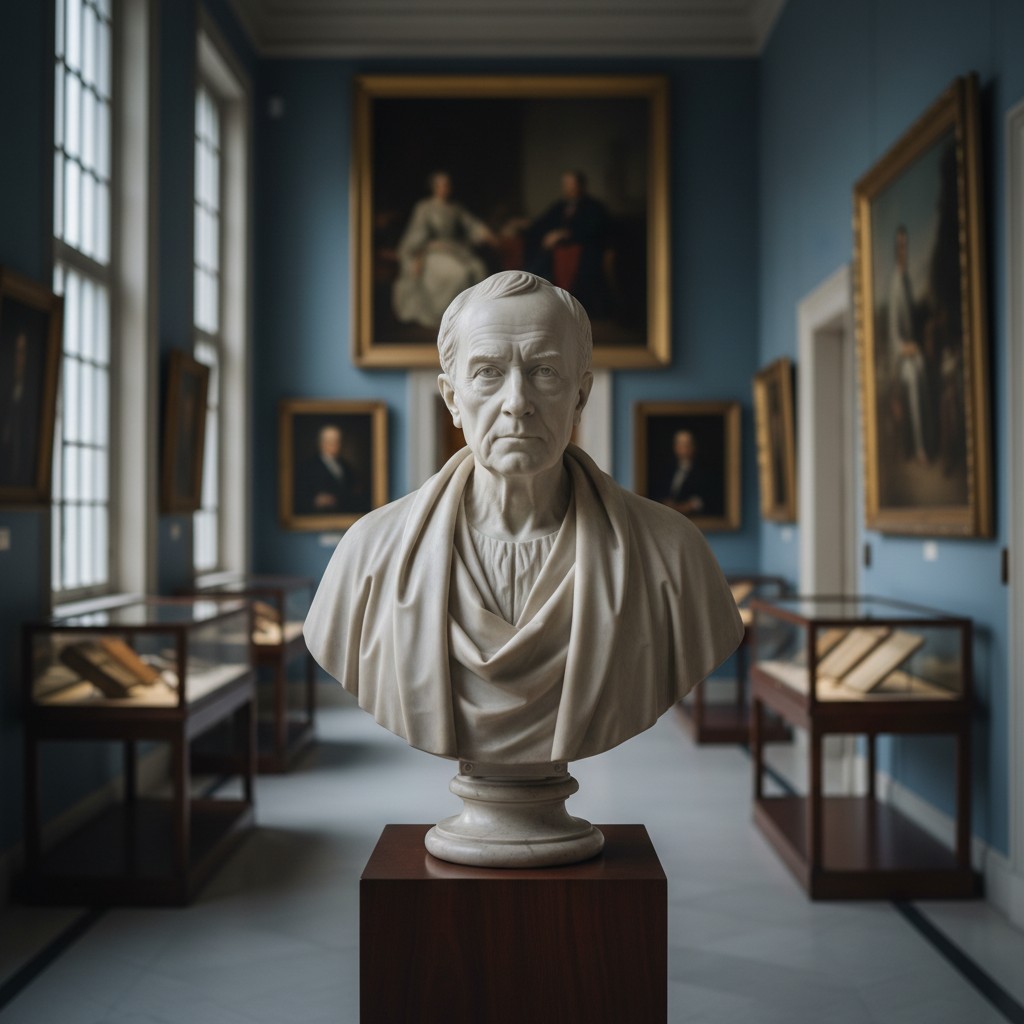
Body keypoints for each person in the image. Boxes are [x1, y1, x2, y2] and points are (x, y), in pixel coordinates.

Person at [305, 271, 743, 767]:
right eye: (488, 372)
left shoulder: (671, 553)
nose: (517, 402)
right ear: (452, 398)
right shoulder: (368, 554)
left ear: (580, 396)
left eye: (545, 371)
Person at [391, 171, 496, 329]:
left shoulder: (455, 208)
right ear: (434, 187)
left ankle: (474, 319)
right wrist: (422, 251)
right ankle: (451, 318)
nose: (445, 188)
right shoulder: (424, 207)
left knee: (478, 267)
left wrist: (485, 232)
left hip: (454, 249)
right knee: (459, 273)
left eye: (447, 184)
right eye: (441, 184)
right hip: (431, 252)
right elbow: (416, 236)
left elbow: (471, 224)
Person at [524, 170, 611, 318]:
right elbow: (541, 224)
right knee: (539, 261)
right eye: (565, 185)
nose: (568, 188)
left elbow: (593, 231)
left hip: (585, 251)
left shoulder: (594, 207)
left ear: (581, 186)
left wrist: (564, 235)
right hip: (557, 253)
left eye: (571, 185)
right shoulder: (560, 206)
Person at [887, 225, 932, 464]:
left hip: (912, 351)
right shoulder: (895, 284)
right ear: (896, 249)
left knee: (924, 369)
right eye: (900, 245)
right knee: (913, 378)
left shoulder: (906, 281)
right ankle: (919, 446)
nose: (904, 250)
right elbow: (895, 336)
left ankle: (929, 437)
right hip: (900, 360)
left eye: (906, 245)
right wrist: (908, 348)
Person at [297, 424, 359, 516]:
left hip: (343, 515)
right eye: (332, 442)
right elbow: (300, 496)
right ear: (322, 443)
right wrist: (316, 500)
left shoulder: (346, 466)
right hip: (319, 516)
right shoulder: (308, 466)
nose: (336, 445)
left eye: (338, 442)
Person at [0, 332, 34, 487]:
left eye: (22, 353)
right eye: (16, 352)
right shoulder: (7, 395)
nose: (18, 359)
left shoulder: (32, 397)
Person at [662, 429, 714, 517]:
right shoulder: (666, 470)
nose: (683, 448)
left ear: (693, 447)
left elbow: (706, 498)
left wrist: (687, 506)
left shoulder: (704, 472)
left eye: (687, 445)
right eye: (680, 444)